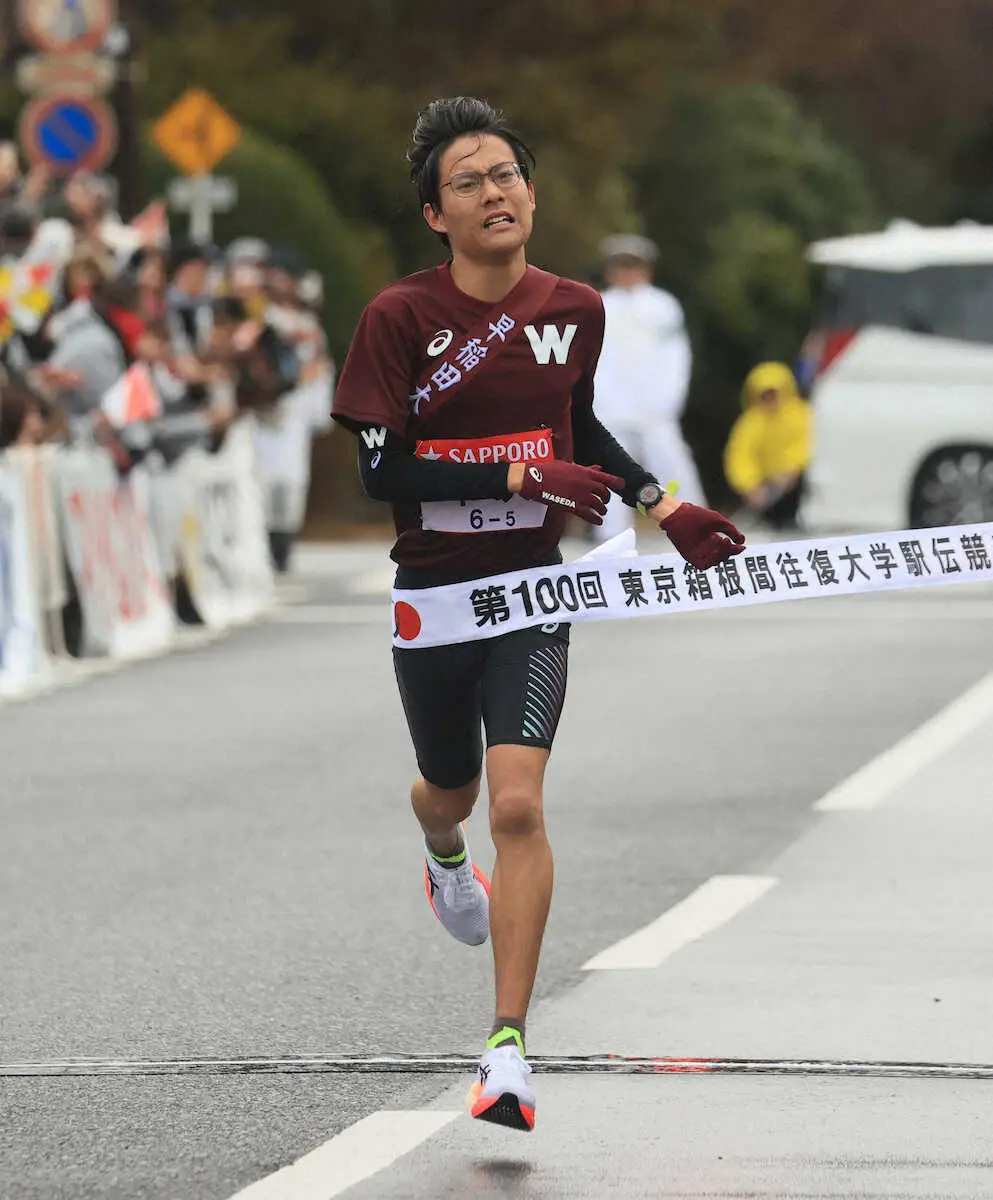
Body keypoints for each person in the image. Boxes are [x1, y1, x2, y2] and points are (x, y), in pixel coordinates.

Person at [330, 96, 745, 1133]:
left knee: (517, 806)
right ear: (436, 215)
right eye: (467, 182)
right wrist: (516, 466)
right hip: (434, 591)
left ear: (532, 192)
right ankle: (439, 858)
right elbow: (383, 469)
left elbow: (582, 421)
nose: (494, 192)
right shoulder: (399, 319)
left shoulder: (575, 309)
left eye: (507, 174)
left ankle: (506, 1050)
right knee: (449, 792)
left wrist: (664, 502)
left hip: (534, 589)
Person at [591, 233, 706, 542]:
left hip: (655, 408)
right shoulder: (598, 304)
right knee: (609, 474)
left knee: (674, 468)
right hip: (611, 408)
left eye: (633, 265)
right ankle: (610, 538)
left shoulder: (663, 306)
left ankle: (695, 528)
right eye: (621, 265)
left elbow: (677, 356)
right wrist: (596, 402)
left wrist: (669, 399)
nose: (627, 272)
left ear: (646, 269)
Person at [724, 361, 812, 530]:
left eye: (774, 392)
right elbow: (739, 456)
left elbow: (808, 444)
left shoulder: (803, 414)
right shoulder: (750, 422)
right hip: (768, 491)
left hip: (801, 485)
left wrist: (792, 469)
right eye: (763, 393)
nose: (770, 398)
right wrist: (750, 486)